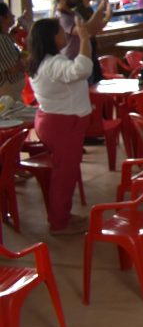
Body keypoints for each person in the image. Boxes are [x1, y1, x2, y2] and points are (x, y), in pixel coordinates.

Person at [27, 16, 92, 234]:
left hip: (56, 121)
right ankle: (59, 222)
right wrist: (84, 39)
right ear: (52, 37)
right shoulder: (53, 64)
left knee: (65, 172)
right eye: (61, 32)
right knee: (64, 175)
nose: (65, 35)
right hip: (63, 124)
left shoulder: (45, 61)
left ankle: (62, 214)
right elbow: (82, 69)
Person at [0, 3, 25, 100]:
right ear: (2, 18)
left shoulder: (5, 37)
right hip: (8, 90)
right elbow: (12, 68)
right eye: (10, 14)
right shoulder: (2, 39)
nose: (13, 16)